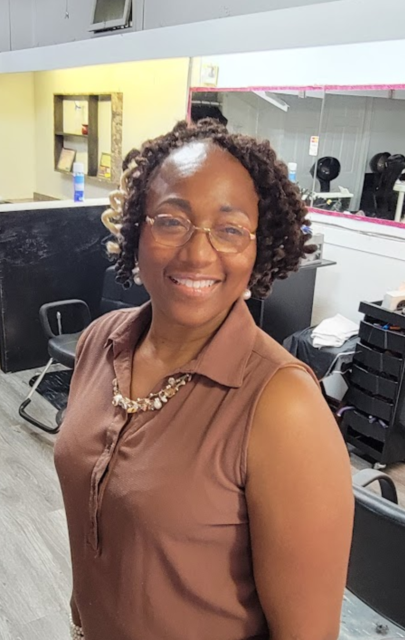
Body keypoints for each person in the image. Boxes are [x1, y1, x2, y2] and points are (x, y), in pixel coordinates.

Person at [54, 119, 353, 640]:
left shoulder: (283, 405)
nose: (197, 254)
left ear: (259, 247)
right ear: (135, 229)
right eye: (171, 221)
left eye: (231, 229)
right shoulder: (99, 343)